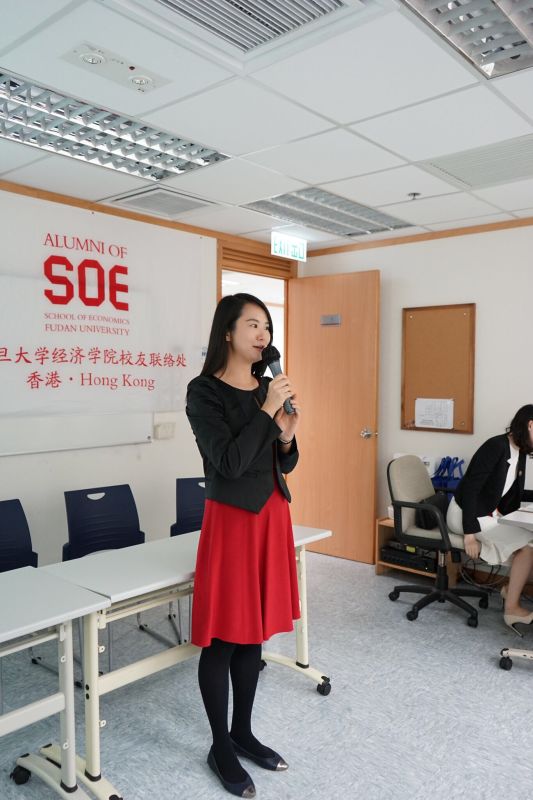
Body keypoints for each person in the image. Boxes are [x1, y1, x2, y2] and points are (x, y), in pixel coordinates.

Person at [185, 293, 301, 798]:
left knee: (253, 634)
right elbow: (229, 464)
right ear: (227, 332)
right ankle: (220, 745)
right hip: (233, 521)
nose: (262, 334)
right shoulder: (204, 392)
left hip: (271, 516)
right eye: (252, 324)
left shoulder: (264, 389)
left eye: (267, 326)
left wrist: (286, 437)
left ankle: (243, 731)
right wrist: (269, 409)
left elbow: (283, 463)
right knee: (225, 637)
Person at [447, 405, 533, 634]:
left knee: (531, 541)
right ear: (531, 425)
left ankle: (510, 591)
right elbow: (470, 491)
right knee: (526, 549)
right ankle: (512, 608)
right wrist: (469, 535)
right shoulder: (495, 446)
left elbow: (511, 492)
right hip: (464, 513)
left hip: (487, 512)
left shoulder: (519, 451)